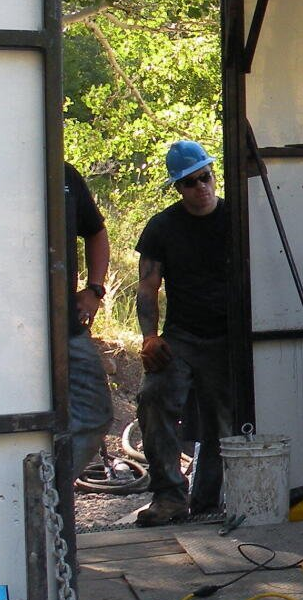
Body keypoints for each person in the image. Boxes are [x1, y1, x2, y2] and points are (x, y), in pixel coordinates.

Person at [132, 141, 234, 526]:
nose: (201, 187)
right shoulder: (162, 227)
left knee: (223, 421)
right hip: (183, 335)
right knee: (153, 396)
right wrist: (149, 337)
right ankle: (169, 496)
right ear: (179, 188)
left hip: (229, 335)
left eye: (205, 177)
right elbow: (148, 285)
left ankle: (207, 501)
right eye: (190, 183)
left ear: (213, 174)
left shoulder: (236, 218)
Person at [64, 163, 114, 478]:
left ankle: (49, 493)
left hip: (62, 323)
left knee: (95, 413)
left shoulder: (66, 176)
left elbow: (96, 232)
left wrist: (95, 289)